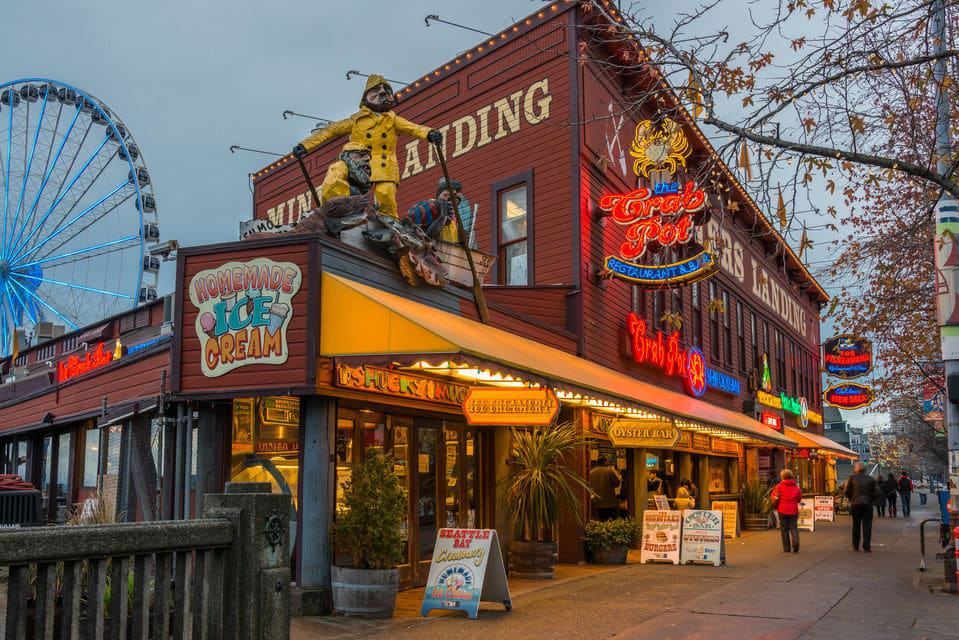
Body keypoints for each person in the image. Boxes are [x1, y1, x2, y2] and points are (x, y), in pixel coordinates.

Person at [293, 75, 442, 217]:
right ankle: (336, 210)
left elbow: (413, 128)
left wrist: (429, 134)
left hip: (385, 167)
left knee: (386, 197)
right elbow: (330, 130)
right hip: (359, 165)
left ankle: (391, 228)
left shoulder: (393, 119)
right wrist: (305, 145)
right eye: (376, 91)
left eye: (386, 91)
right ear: (365, 97)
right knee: (336, 174)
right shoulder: (357, 120)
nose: (382, 93)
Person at [403, 177, 475, 245]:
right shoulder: (428, 204)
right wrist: (437, 207)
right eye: (449, 190)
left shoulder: (455, 219)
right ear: (440, 194)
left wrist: (461, 241)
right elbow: (411, 218)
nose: (455, 192)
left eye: (457, 191)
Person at [845, 462, 880, 552]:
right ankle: (866, 546)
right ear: (865, 469)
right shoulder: (871, 479)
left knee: (856, 525)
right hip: (867, 504)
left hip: (855, 504)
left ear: (856, 469)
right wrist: (871, 498)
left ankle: (856, 545)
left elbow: (847, 491)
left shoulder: (852, 478)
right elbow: (876, 492)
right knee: (867, 525)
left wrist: (851, 498)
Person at [771, 469, 803, 553]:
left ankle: (787, 548)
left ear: (782, 477)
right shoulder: (796, 487)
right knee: (793, 527)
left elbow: (773, 496)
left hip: (782, 510)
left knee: (784, 529)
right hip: (793, 510)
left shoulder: (779, 486)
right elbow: (799, 499)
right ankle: (795, 541)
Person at [589, 456, 621, 521]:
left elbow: (590, 485)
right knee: (612, 520)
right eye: (607, 461)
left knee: (602, 519)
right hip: (610, 502)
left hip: (598, 501)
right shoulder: (610, 471)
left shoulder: (592, 472)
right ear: (605, 461)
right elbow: (617, 484)